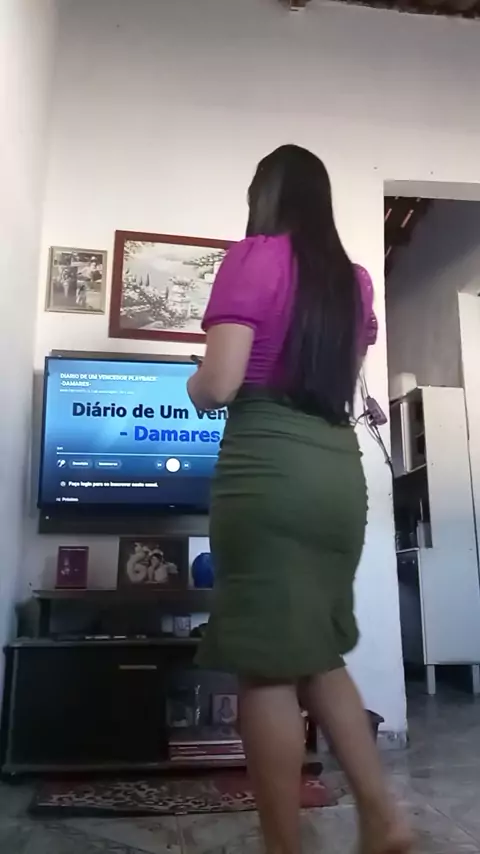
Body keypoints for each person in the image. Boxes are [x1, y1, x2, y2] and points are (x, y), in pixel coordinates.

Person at [187, 144, 411, 854]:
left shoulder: (252, 258)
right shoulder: (355, 281)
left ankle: (282, 847)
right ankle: (383, 818)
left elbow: (219, 385)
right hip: (336, 469)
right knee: (316, 650)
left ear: (266, 197)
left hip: (269, 468)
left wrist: (193, 381)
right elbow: (342, 380)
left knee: (265, 667)